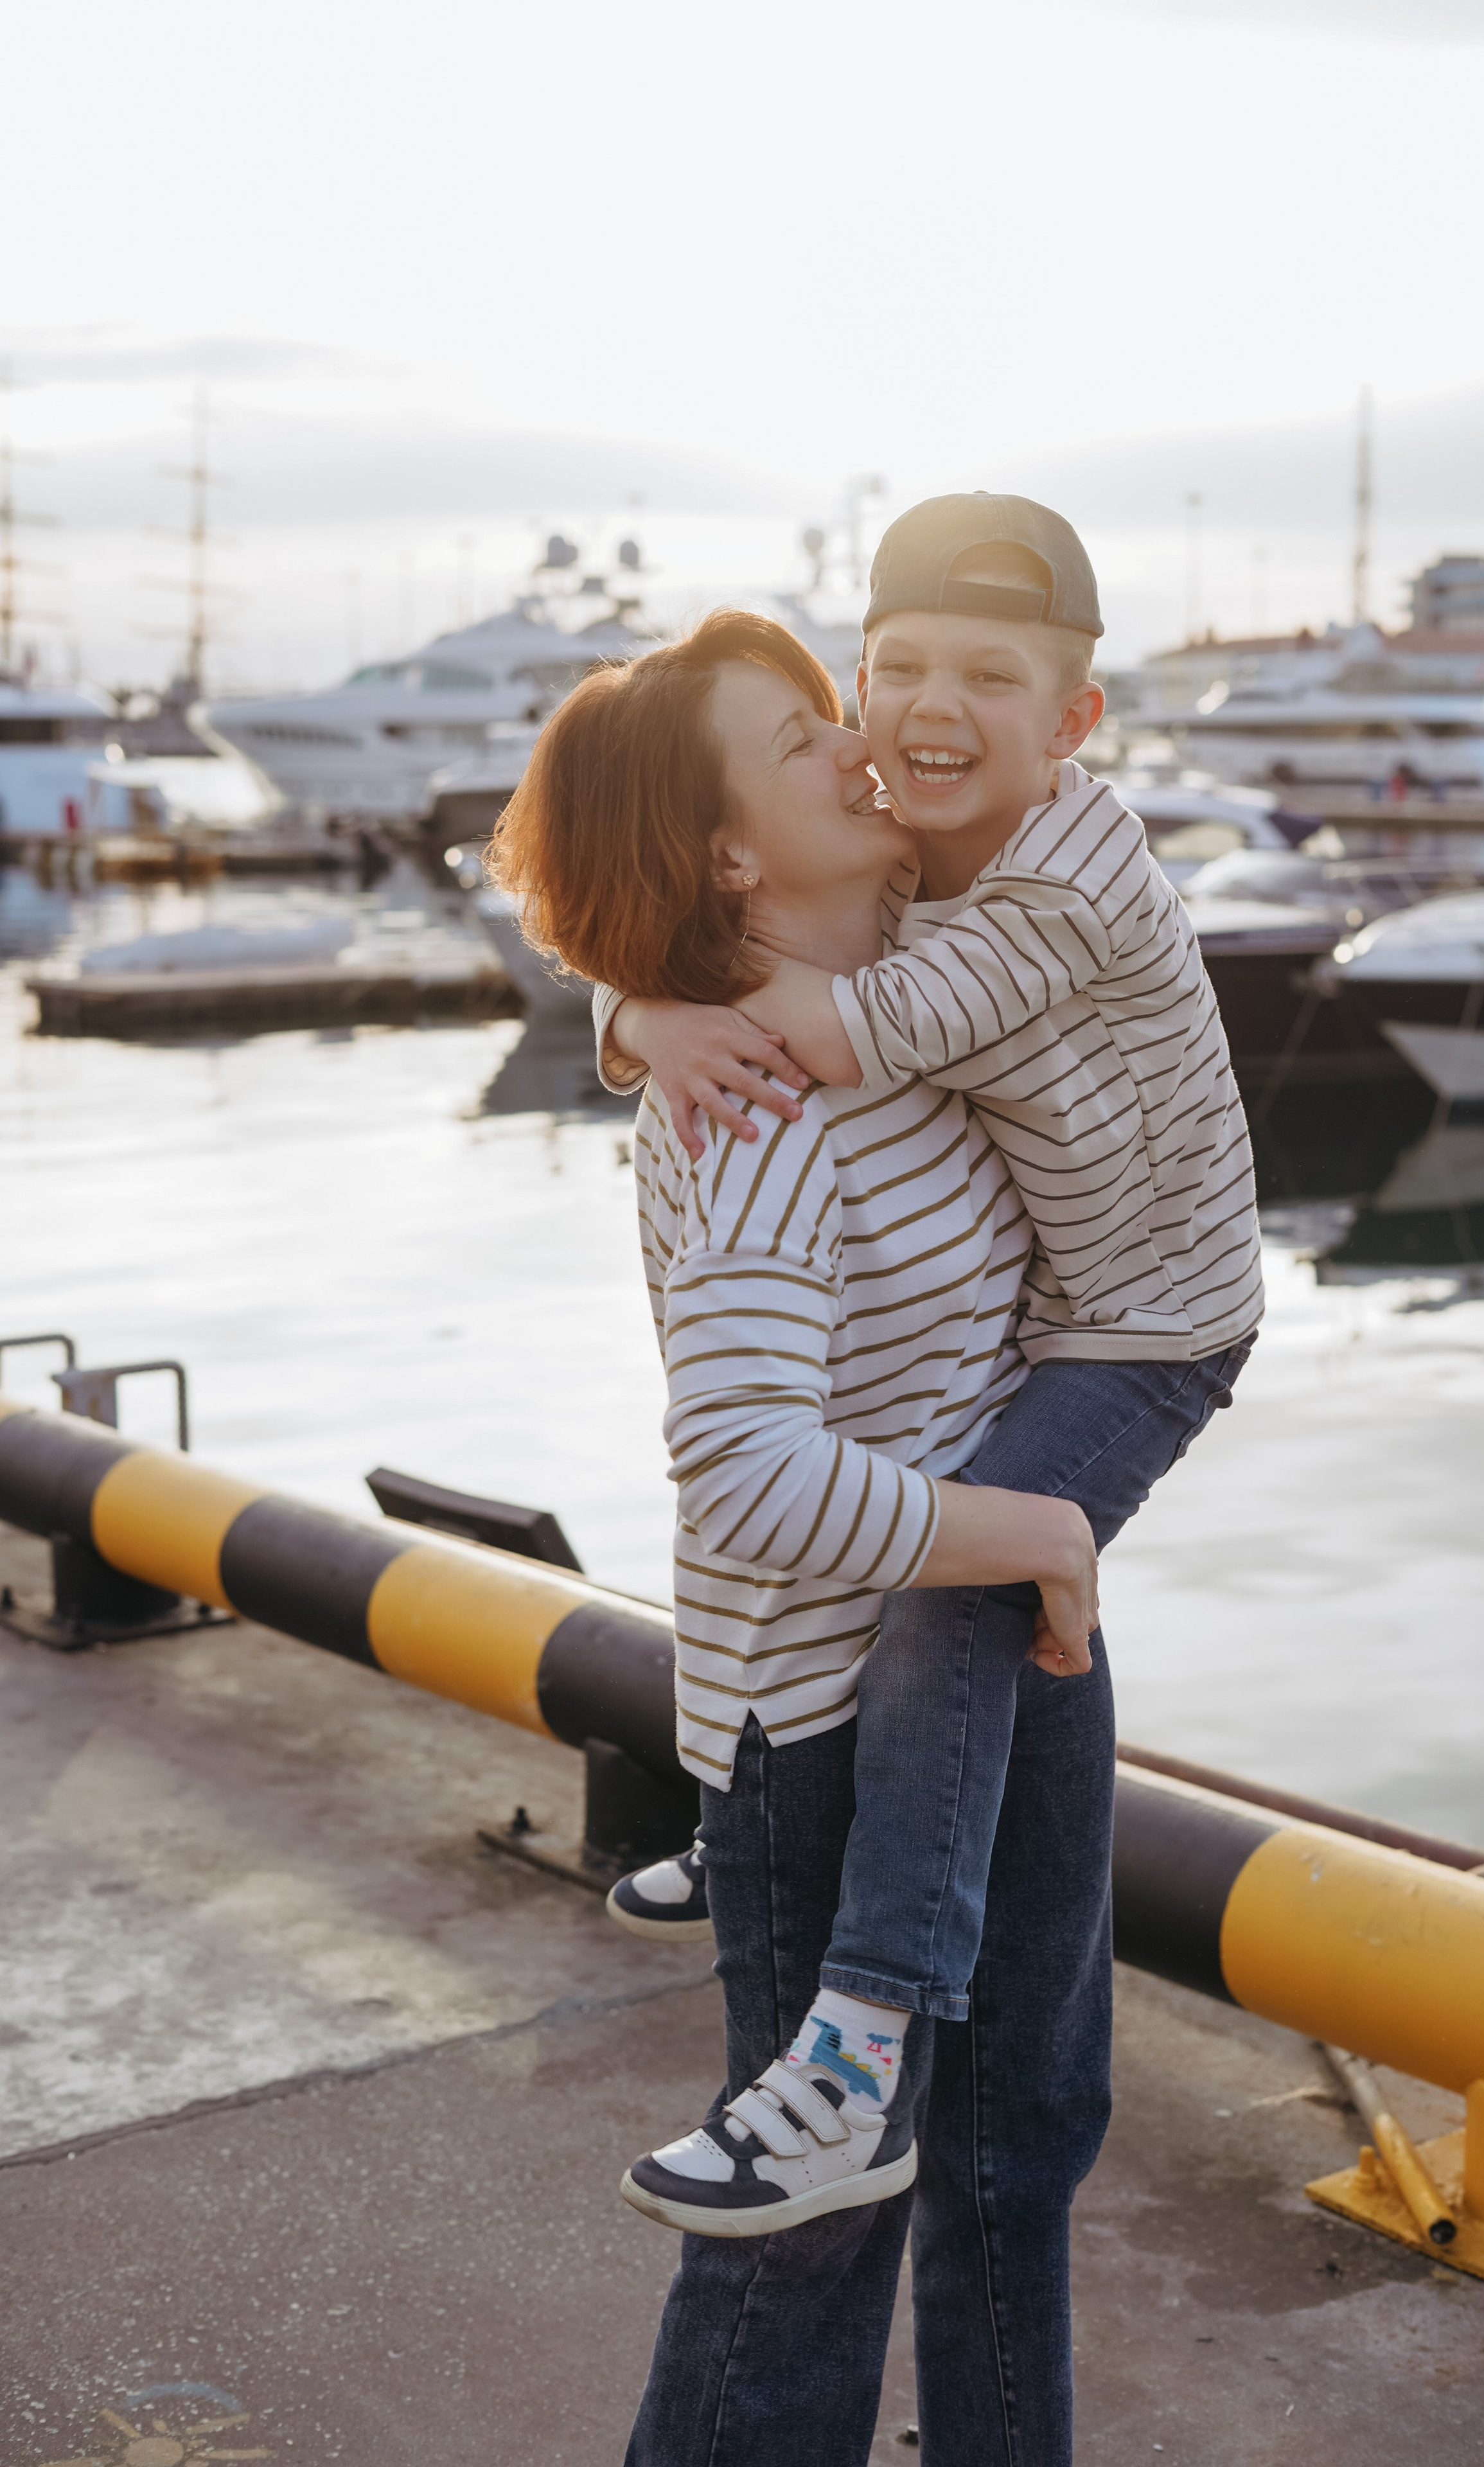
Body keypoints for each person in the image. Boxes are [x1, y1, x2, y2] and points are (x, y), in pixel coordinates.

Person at [490, 606, 1125, 2464]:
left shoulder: (912, 980)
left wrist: (625, 1007)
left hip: (1006, 1662)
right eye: (800, 740)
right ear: (727, 857)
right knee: (818, 2231)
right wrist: (1037, 1528)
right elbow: (746, 1473)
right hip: (835, 1737)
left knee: (1021, 2157)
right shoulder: (754, 1117)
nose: (862, 740)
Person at [599, 495, 1260, 2223]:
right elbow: (698, 868)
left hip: (1152, 1336)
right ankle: (764, 1863)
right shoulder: (904, 842)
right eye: (893, 671)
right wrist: (634, 1012)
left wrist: (656, 1019)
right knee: (967, 1564)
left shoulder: (1067, 879)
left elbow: (836, 1016)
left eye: (989, 672)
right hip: (1064, 1325)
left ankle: (862, 2032)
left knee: (954, 1584)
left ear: (1076, 722)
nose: (920, 709)